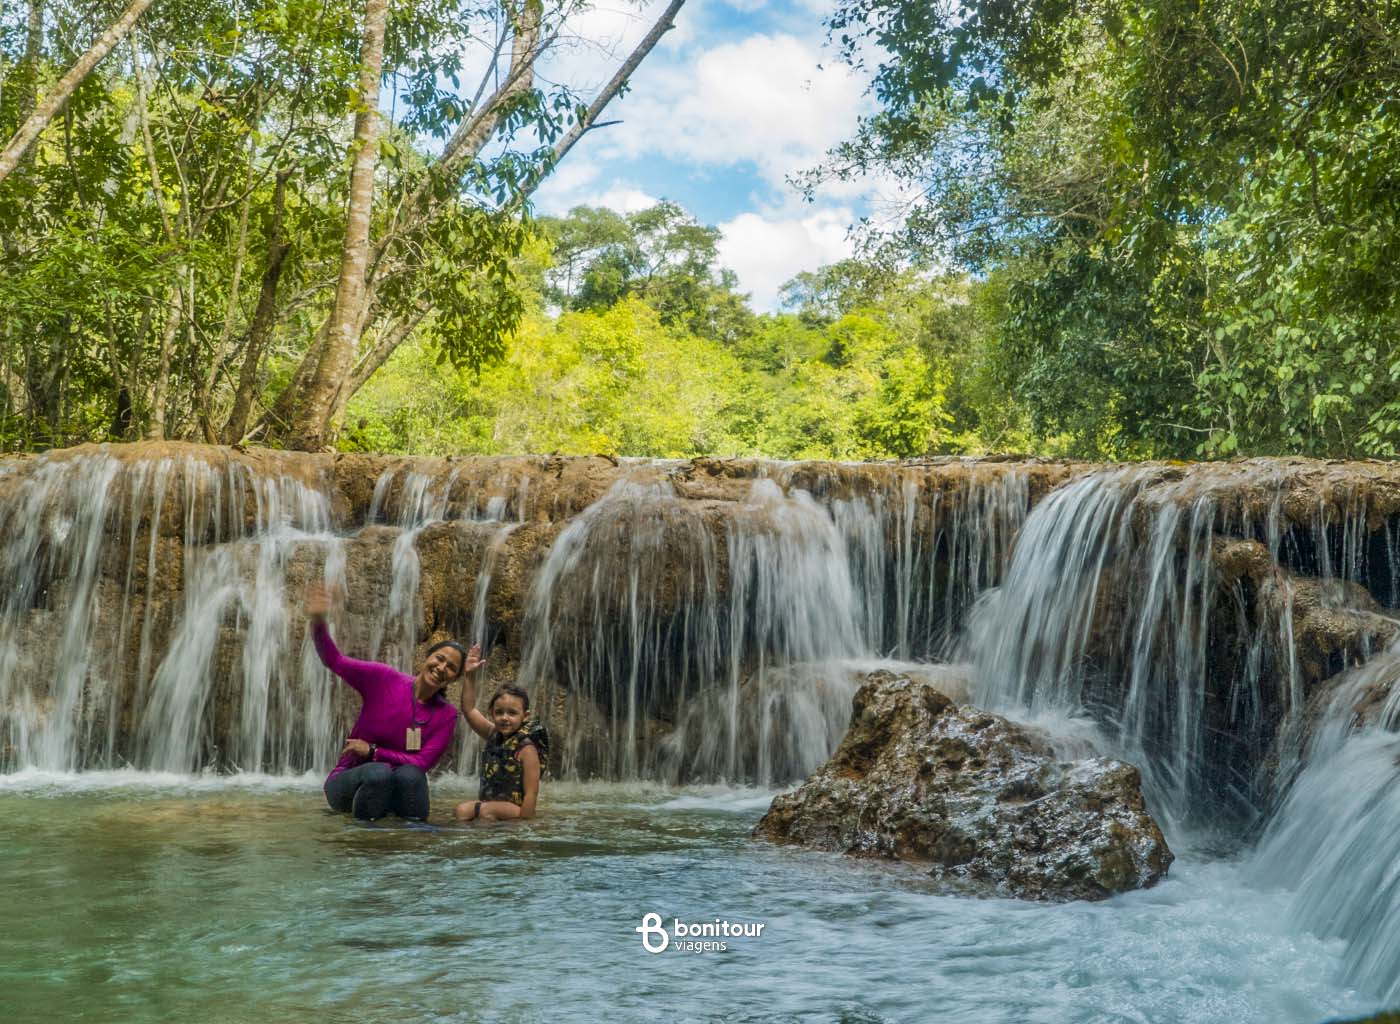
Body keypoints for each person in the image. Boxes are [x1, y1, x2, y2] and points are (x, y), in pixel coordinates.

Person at [306, 583, 484, 821]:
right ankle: (362, 844)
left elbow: (421, 763)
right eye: (439, 658)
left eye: (451, 667)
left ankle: (415, 843)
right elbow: (333, 660)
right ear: (426, 657)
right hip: (348, 782)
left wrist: (373, 751)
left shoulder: (446, 715)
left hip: (398, 792)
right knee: (379, 773)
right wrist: (318, 622)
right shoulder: (384, 679)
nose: (442, 668)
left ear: (455, 678)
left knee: (412, 775)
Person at [455, 679, 543, 822]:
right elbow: (469, 710)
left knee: (486, 812)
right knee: (462, 810)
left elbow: (531, 793)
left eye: (512, 713)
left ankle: (491, 841)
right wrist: (470, 675)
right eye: (499, 712)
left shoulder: (527, 749)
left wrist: (525, 824)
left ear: (525, 716)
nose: (504, 718)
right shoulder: (493, 734)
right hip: (489, 804)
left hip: (515, 809)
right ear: (491, 713)